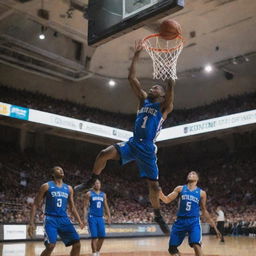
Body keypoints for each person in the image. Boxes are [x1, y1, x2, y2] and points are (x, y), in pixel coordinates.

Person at [75, 40, 175, 234]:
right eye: (152, 87)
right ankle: (91, 180)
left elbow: (171, 89)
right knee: (103, 153)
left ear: (162, 95)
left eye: (157, 88)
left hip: (147, 147)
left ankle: (157, 215)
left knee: (154, 187)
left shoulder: (163, 107)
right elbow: (131, 78)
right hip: (132, 143)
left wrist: (169, 71)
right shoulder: (143, 100)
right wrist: (136, 55)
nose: (153, 88)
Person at [159, 171, 221, 256]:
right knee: (172, 249)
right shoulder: (180, 188)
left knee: (196, 244)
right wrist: (159, 192)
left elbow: (204, 210)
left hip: (193, 221)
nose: (191, 174)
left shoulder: (201, 193)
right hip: (180, 221)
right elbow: (166, 199)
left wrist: (215, 228)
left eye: (193, 174)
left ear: (197, 179)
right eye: (189, 174)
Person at [28, 166, 85, 256]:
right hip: (50, 219)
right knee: (50, 246)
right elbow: (35, 204)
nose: (61, 170)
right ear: (53, 174)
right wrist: (31, 223)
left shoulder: (69, 188)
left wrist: (80, 221)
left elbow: (72, 207)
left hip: (64, 219)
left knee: (77, 244)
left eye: (62, 169)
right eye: (58, 169)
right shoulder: (46, 186)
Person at [83, 179, 111, 256]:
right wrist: (84, 218)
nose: (98, 184)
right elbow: (85, 207)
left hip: (100, 217)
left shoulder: (103, 194)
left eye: (99, 183)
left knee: (102, 236)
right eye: (96, 183)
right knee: (94, 237)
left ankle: (97, 251)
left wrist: (109, 217)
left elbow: (106, 206)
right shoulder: (89, 194)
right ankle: (94, 253)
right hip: (92, 217)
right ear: (93, 185)